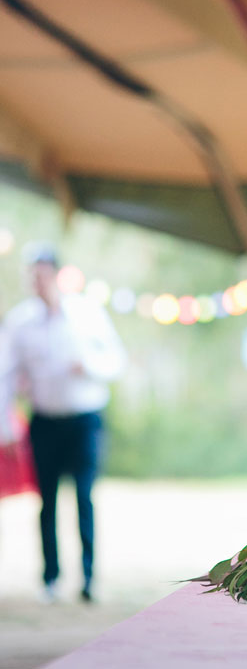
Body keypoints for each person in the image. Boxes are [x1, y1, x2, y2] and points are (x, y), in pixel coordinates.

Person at [0, 244, 126, 602]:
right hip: (44, 420)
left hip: (85, 419)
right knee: (47, 501)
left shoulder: (87, 312)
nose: (38, 281)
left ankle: (88, 578)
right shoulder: (20, 322)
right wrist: (5, 426)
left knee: (84, 496)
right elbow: (6, 376)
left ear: (56, 274)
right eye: (33, 275)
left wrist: (89, 366)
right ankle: (50, 578)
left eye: (43, 274)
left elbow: (115, 360)